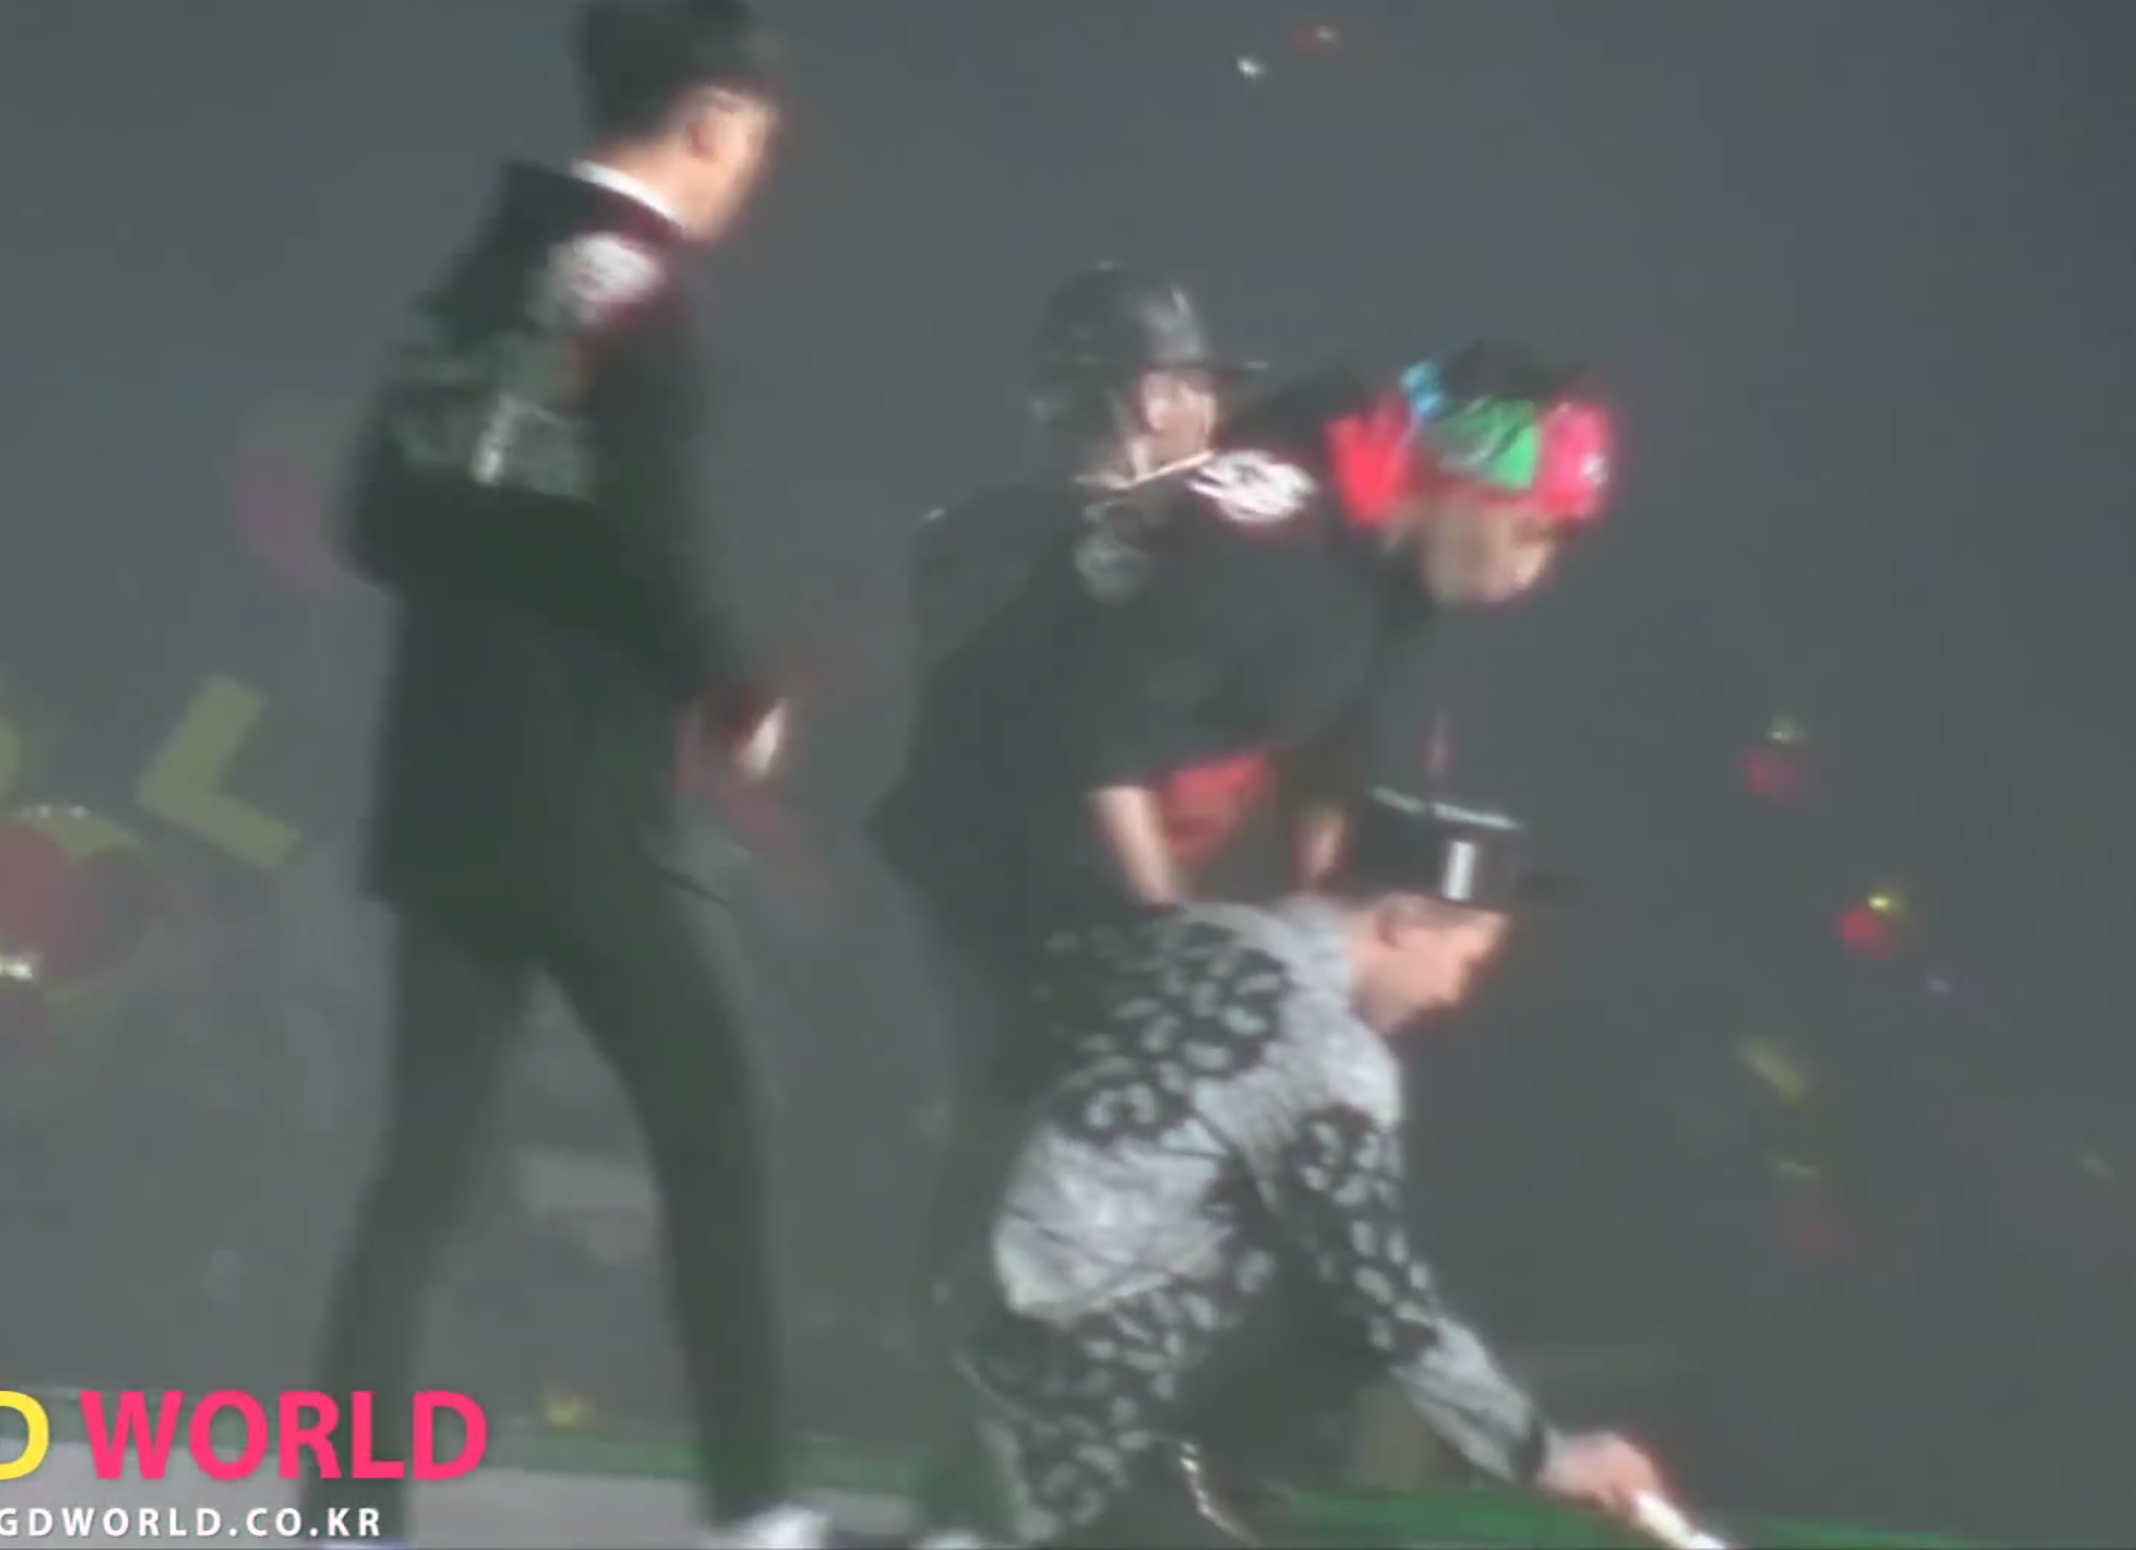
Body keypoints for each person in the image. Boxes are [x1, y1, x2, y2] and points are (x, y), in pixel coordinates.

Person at [308, 4, 822, 1547]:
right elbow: (645, 528)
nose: (755, 168)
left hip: (442, 784)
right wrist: (736, 689)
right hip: (586, 800)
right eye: (759, 139)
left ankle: (347, 1509)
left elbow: (373, 521)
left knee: (421, 1178)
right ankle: (754, 1504)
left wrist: (504, 543)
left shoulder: (477, 278)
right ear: (714, 118)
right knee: (717, 1132)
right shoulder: (643, 293)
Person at [936, 792, 1674, 1547]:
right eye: (1466, 961)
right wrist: (1541, 1453)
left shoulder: (1171, 939)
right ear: (1405, 924)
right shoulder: (1324, 1058)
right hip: (1079, 1363)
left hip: (970, 1316)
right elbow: (1383, 1297)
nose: (1453, 994)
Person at [874, 265, 1255, 1539]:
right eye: (1198, 387)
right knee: (1032, 1212)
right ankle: (1040, 1487)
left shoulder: (967, 537)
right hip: (1065, 925)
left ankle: (1054, 1476)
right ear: (1151, 397)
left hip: (1010, 925)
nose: (1215, 415)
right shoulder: (1096, 551)